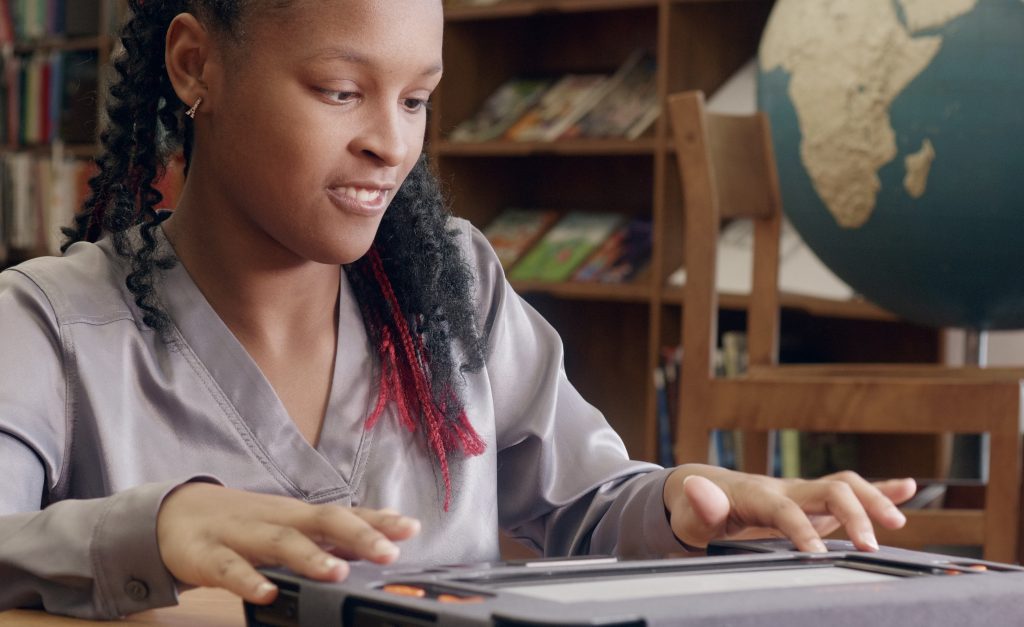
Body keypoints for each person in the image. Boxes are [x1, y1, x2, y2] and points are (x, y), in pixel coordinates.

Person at [0, 0, 916, 620]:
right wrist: (151, 529)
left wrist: (685, 503)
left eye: (417, 99)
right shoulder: (47, 325)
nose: (390, 143)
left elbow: (589, 503)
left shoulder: (456, 292)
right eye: (341, 91)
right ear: (196, 66)